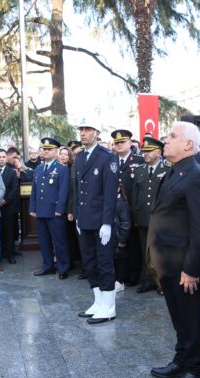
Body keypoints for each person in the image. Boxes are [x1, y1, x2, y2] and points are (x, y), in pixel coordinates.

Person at [148, 121, 200, 378]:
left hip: (184, 266)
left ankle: (195, 371)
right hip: (168, 261)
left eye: (172, 136)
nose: (166, 140)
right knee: (177, 316)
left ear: (188, 144)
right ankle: (180, 360)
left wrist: (191, 269)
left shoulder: (196, 175)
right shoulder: (174, 172)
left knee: (188, 318)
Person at [74, 118, 119, 324]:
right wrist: (77, 217)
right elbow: (78, 190)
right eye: (81, 129)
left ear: (96, 133)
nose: (83, 133)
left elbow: (110, 193)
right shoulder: (80, 157)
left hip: (101, 221)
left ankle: (109, 306)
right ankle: (98, 302)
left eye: (87, 129)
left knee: (104, 263)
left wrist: (107, 222)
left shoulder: (107, 157)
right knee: (89, 263)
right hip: (85, 220)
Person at [131, 135, 167, 294]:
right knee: (143, 250)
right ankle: (148, 281)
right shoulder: (139, 170)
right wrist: (135, 216)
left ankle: (161, 283)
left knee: (159, 252)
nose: (145, 153)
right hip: (143, 217)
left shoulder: (167, 169)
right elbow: (135, 195)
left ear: (159, 153)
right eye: (144, 151)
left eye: (149, 151)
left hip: (160, 219)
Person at [30, 138, 70, 279]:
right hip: (41, 211)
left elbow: (63, 191)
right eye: (44, 149)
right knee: (44, 241)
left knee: (59, 242)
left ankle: (63, 267)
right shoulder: (39, 168)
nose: (45, 151)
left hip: (54, 212)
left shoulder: (62, 169)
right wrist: (32, 207)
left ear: (56, 151)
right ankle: (48, 266)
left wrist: (60, 209)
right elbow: (34, 190)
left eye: (49, 149)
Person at [111, 129, 144, 286]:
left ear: (130, 143)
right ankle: (120, 276)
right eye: (116, 143)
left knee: (134, 244)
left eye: (122, 142)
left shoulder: (139, 160)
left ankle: (133, 276)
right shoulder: (111, 161)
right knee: (118, 243)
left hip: (134, 208)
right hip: (115, 209)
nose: (119, 145)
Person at [0, 149, 20, 264]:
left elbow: (15, 189)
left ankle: (10, 255)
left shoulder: (12, 172)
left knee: (9, 232)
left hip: (8, 207)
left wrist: (5, 200)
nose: (1, 159)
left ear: (6, 158)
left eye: (3, 157)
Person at [113, 182, 132, 293]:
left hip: (118, 238)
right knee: (113, 259)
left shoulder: (121, 204)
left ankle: (120, 282)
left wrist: (122, 239)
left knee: (120, 260)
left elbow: (125, 223)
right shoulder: (109, 201)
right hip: (111, 238)